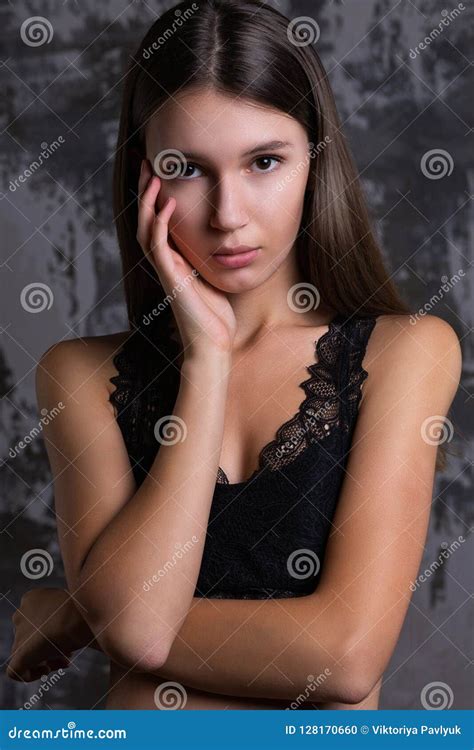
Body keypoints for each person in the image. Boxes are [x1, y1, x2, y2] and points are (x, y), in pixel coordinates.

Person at [7, 0, 462, 710]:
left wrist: (82, 615)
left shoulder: (405, 353)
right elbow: (133, 626)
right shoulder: (81, 375)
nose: (227, 214)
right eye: (186, 168)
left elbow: (343, 657)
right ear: (143, 178)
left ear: (315, 160)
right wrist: (206, 362)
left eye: (264, 162)